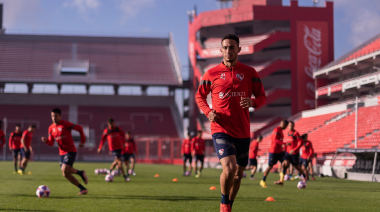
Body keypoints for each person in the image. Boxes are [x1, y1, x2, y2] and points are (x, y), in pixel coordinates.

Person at [196, 34, 266, 211]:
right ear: (221, 50)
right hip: (221, 128)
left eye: (232, 47)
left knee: (238, 175)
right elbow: (200, 96)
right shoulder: (211, 73)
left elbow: (262, 96)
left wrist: (253, 102)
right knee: (229, 168)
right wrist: (208, 111)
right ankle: (224, 204)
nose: (228, 51)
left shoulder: (250, 73)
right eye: (225, 47)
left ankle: (229, 204)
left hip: (242, 130)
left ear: (239, 50)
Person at [41, 108, 88, 195]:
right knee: (65, 174)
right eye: (52, 116)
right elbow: (51, 143)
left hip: (70, 151)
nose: (53, 118)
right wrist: (46, 141)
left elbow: (80, 128)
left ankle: (81, 173)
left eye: (55, 116)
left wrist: (83, 142)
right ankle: (82, 188)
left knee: (65, 169)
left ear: (60, 116)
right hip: (61, 153)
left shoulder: (66, 124)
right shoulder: (50, 128)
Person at [275, 121, 307, 185]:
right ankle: (281, 180)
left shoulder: (296, 133)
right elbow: (288, 142)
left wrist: (294, 149)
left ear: (294, 126)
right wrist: (284, 148)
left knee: (297, 166)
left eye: (292, 126)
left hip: (294, 153)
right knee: (285, 164)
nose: (290, 127)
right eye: (289, 125)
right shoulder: (288, 133)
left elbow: (300, 142)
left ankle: (304, 176)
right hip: (287, 152)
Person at [259, 120, 288, 188]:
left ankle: (281, 178)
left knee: (286, 163)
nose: (285, 127)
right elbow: (275, 140)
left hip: (280, 151)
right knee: (270, 167)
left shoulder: (281, 131)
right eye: (285, 125)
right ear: (282, 124)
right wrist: (283, 144)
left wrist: (283, 147)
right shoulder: (276, 129)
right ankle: (263, 181)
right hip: (274, 151)